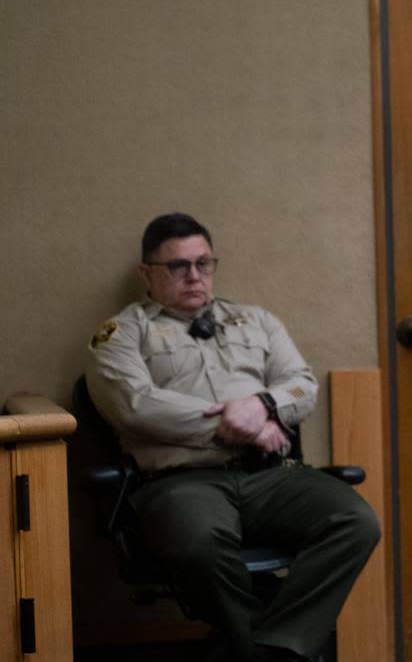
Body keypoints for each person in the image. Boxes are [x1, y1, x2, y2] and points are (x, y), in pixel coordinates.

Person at [86, 213, 380, 662]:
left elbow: (301, 384)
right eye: (178, 266)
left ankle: (269, 648)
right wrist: (246, 427)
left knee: (356, 522)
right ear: (147, 273)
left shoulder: (256, 321)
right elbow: (136, 406)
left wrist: (261, 406)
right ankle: (267, 652)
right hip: (182, 482)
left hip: (270, 476)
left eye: (204, 263)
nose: (194, 276)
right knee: (198, 543)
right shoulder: (122, 333)